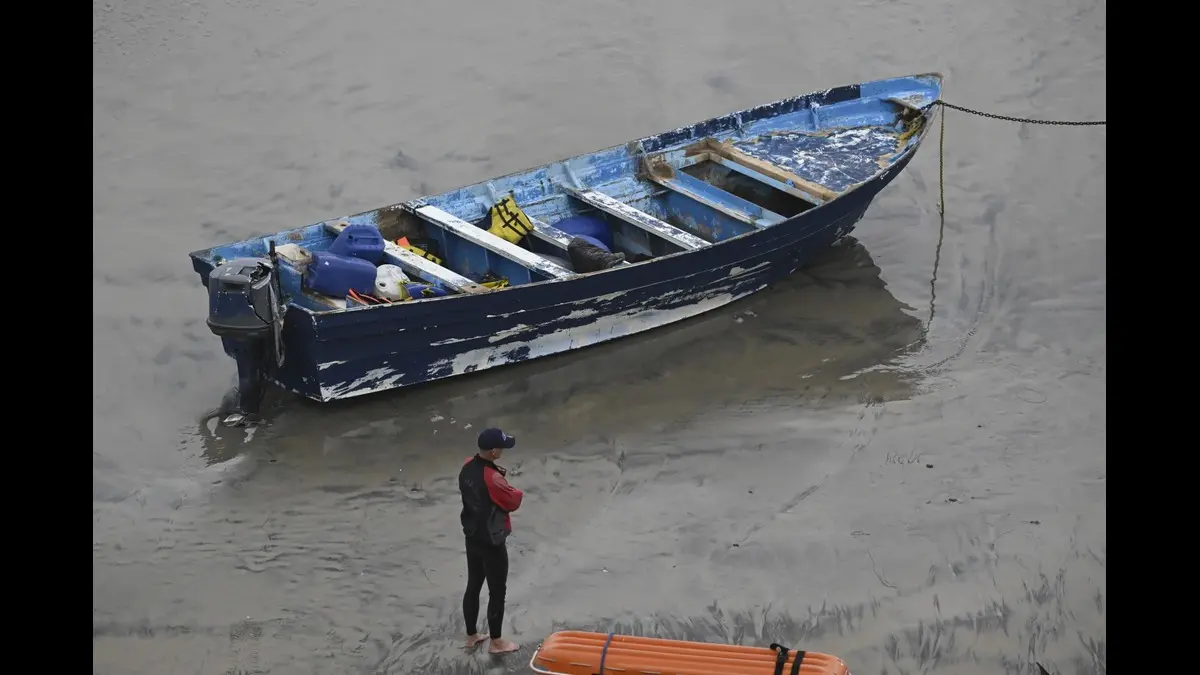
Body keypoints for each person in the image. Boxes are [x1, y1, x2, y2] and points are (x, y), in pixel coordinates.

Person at [459, 427, 523, 654]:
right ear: (494, 452)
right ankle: (496, 642)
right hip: (492, 541)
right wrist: (515, 491)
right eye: (501, 447)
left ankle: (471, 635)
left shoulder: (467, 465)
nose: (503, 450)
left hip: (472, 536)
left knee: (473, 585)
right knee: (497, 591)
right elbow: (513, 501)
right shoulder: (493, 478)